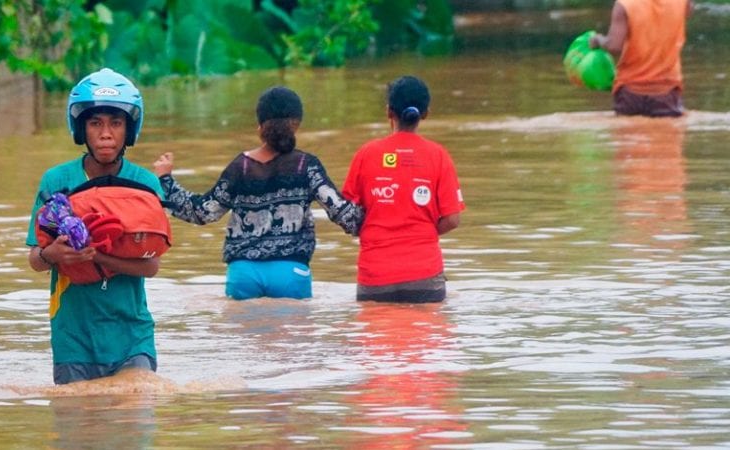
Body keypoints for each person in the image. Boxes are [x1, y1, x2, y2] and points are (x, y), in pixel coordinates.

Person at [154, 86, 364, 300]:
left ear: (259, 126)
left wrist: (165, 180)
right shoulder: (306, 165)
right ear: (296, 124)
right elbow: (343, 213)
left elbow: (202, 212)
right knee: (295, 334)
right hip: (290, 273)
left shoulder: (240, 167)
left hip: (243, 274)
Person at [25, 68, 164, 385]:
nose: (106, 133)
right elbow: (35, 260)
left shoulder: (146, 184)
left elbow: (151, 266)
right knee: (80, 431)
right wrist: (53, 255)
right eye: (95, 123)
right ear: (81, 129)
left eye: (115, 123)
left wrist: (96, 257)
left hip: (133, 334)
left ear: (128, 130)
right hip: (73, 337)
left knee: (135, 423)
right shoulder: (56, 181)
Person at [341, 76, 464, 303]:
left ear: (389, 111)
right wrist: (421, 234)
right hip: (424, 274)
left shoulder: (366, 154)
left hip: (375, 275)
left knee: (375, 337)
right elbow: (452, 219)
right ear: (426, 113)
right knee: (427, 337)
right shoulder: (439, 156)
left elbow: (346, 212)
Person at [589, 0, 693, 117]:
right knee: (666, 133)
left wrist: (598, 40)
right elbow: (688, 12)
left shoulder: (625, 4)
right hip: (666, 91)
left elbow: (614, 46)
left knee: (629, 133)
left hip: (630, 92)